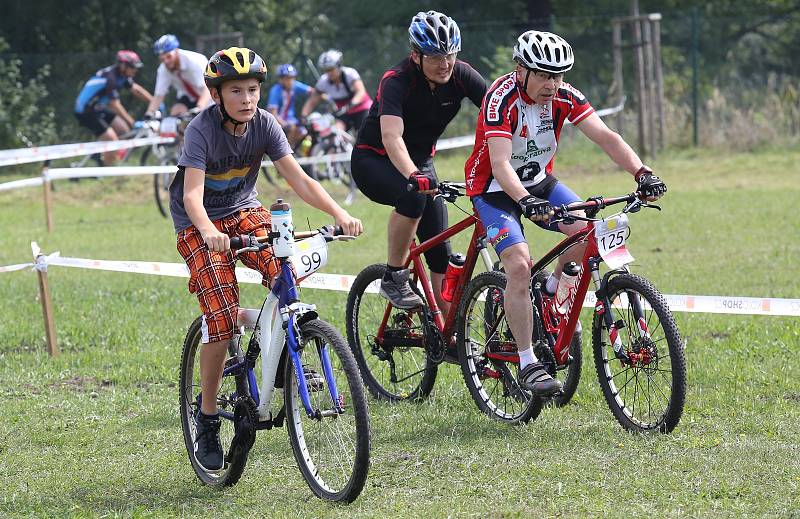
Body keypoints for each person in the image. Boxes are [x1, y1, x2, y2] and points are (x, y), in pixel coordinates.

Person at [170, 46, 363, 471]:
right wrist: (207, 232)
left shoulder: (266, 125)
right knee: (219, 319)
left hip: (245, 209)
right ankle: (205, 418)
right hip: (198, 222)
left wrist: (339, 213)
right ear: (217, 95)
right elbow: (191, 195)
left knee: (285, 272)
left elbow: (299, 178)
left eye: (253, 89)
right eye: (236, 90)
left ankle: (279, 346)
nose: (247, 98)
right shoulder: (200, 130)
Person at [464, 30, 667, 396]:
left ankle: (553, 290)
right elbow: (499, 164)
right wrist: (525, 200)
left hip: (540, 182)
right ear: (520, 70)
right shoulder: (500, 99)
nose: (551, 84)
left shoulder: (564, 96)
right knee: (519, 265)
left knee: (588, 232)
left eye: (557, 75)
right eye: (543, 75)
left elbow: (607, 137)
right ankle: (528, 362)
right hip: (494, 189)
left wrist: (642, 172)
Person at [351, 10, 486, 315]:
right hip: (374, 159)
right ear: (416, 56)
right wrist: (413, 173)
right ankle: (394, 276)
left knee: (440, 253)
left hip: (420, 163)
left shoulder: (462, 75)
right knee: (412, 197)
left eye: (450, 54)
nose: (445, 63)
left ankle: (450, 337)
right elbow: (391, 136)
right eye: (435, 56)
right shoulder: (396, 81)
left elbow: (498, 111)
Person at [73, 50, 153, 165]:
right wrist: (131, 121)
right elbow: (114, 104)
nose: (135, 70)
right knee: (112, 141)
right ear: (123, 65)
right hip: (85, 111)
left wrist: (154, 101)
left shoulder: (122, 74)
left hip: (96, 108)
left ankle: (101, 153)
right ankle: (104, 170)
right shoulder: (111, 77)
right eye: (133, 67)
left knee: (124, 131)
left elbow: (136, 89)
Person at [300, 49, 372, 133]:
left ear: (339, 66)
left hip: (362, 109)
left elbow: (361, 92)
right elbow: (312, 101)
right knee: (335, 133)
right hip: (343, 113)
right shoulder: (323, 81)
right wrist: (303, 116)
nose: (328, 73)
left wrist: (350, 105)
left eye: (331, 69)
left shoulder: (350, 74)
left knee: (364, 135)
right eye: (325, 70)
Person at [145, 34, 212, 117]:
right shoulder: (163, 69)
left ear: (176, 51)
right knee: (175, 114)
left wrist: (199, 108)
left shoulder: (195, 61)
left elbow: (208, 87)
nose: (166, 61)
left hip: (208, 96)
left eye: (169, 57)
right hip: (187, 96)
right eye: (162, 59)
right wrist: (150, 113)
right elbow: (159, 95)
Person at [266, 63, 314, 148]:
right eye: (287, 78)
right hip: (278, 120)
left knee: (305, 132)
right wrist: (284, 124)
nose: (290, 81)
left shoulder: (294, 85)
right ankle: (285, 153)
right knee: (292, 128)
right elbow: (273, 113)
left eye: (292, 78)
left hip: (291, 119)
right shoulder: (275, 91)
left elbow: (313, 91)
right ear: (281, 79)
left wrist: (324, 95)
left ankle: (294, 151)